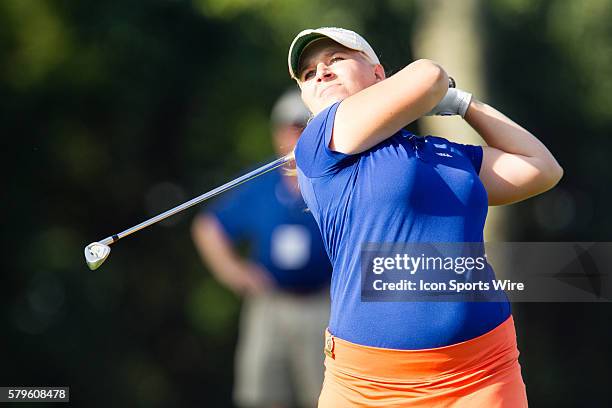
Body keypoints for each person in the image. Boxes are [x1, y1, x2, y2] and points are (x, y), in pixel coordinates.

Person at [287, 27, 564, 407]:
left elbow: (541, 169)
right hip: (371, 388)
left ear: (378, 75)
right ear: (306, 97)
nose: (321, 72)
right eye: (308, 73)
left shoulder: (440, 152)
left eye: (335, 59)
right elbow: (430, 75)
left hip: (483, 372)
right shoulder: (319, 144)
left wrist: (463, 104)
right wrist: (430, 93)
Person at [191, 89, 333, 408]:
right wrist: (235, 272)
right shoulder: (261, 179)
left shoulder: (334, 177)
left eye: (305, 126)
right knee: (261, 393)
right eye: (290, 126)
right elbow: (209, 226)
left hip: (324, 304)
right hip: (269, 304)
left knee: (327, 396)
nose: (296, 134)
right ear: (277, 131)